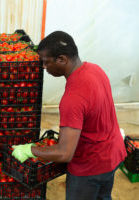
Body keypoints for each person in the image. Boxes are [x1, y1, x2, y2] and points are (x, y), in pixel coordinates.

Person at [12, 31, 127, 200]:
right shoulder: (95, 69)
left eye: (46, 62)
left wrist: (29, 150)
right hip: (113, 154)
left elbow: (64, 153)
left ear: (62, 59)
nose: (44, 67)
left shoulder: (72, 98)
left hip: (90, 167)